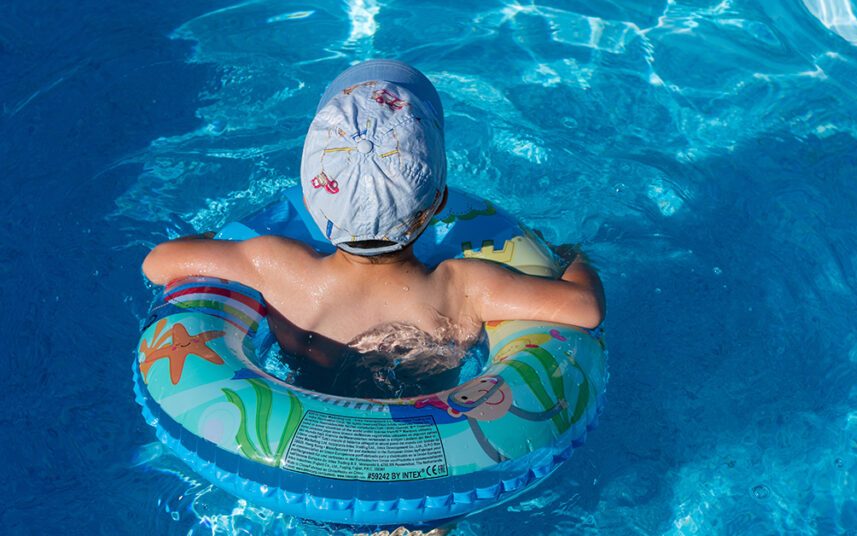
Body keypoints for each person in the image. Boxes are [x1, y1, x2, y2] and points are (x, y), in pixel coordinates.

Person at [142, 59, 604, 397]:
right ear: (438, 204)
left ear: (308, 200)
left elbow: (158, 262)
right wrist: (570, 256)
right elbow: (584, 309)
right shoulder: (464, 288)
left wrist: (210, 238)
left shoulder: (275, 265)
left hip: (309, 456)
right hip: (430, 462)